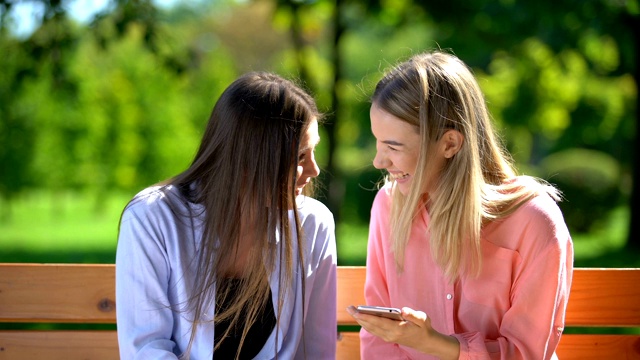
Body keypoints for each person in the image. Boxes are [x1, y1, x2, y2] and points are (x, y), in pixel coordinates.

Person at [347, 50, 573, 359]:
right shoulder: (389, 205)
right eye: (377, 142)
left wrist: (434, 344)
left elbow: (527, 352)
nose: (378, 161)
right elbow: (379, 341)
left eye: (393, 146)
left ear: (450, 144)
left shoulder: (534, 222)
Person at [116, 72, 337, 359]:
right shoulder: (153, 219)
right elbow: (145, 350)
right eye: (300, 157)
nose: (315, 171)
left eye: (314, 151)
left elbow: (316, 349)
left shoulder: (312, 224)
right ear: (251, 158)